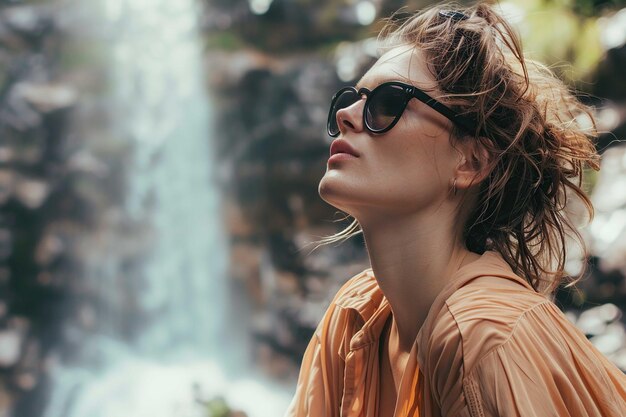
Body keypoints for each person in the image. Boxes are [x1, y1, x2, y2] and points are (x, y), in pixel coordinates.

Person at [285, 2, 626, 417]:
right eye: (350, 98)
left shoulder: (483, 335)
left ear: (472, 162)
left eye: (389, 103)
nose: (345, 115)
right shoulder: (355, 315)